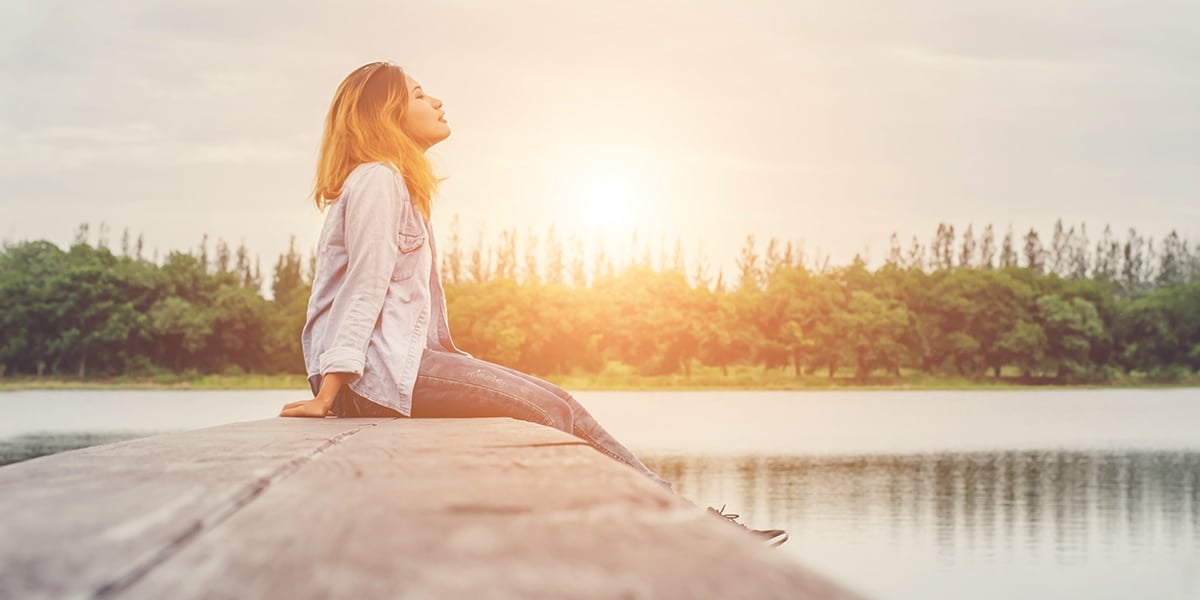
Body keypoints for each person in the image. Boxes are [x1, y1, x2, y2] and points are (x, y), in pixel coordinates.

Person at [278, 61, 787, 547]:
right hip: (376, 376)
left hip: (403, 368)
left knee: (562, 404)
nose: (436, 101)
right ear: (387, 115)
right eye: (417, 94)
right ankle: (667, 533)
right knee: (545, 408)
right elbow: (362, 287)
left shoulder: (397, 185)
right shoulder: (377, 179)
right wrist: (330, 391)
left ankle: (683, 522)